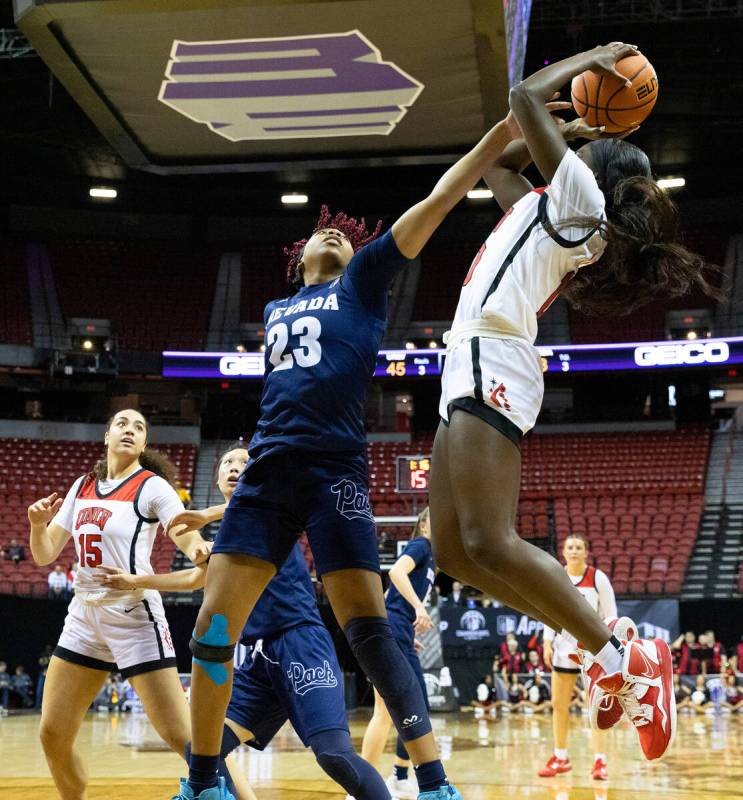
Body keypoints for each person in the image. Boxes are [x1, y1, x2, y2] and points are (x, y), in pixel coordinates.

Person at [171, 98, 544, 800]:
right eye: (323, 233)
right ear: (298, 258)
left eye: (343, 233)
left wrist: (497, 133)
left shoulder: (365, 283)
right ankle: (201, 782)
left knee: (370, 631)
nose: (334, 235)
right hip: (268, 469)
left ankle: (433, 782)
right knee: (211, 634)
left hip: (332, 470)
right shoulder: (277, 311)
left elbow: (438, 198)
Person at [427, 42, 706, 763]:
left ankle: (622, 653)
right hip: (465, 356)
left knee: (490, 539)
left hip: (495, 351)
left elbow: (523, 96)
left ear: (596, 169)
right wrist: (569, 128)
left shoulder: (582, 202)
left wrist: (594, 61)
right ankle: (603, 652)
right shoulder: (549, 203)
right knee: (455, 553)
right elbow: (496, 165)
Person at [98, 443, 389, 800]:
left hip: (298, 643)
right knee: (202, 751)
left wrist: (205, 514)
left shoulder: (275, 506)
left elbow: (254, 506)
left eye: (243, 462)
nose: (235, 466)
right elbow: (194, 579)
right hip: (256, 662)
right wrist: (135, 581)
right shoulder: (225, 537)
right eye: (227, 462)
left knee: (334, 757)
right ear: (216, 476)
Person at [27, 409, 224, 800]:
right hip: (84, 615)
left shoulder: (153, 488)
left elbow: (190, 545)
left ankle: (231, 791)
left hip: (134, 615)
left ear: (145, 443)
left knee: (185, 739)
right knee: (52, 733)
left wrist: (200, 549)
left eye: (139, 427)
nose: (130, 430)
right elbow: (46, 553)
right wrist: (36, 525)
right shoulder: (83, 486)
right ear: (106, 436)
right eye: (122, 424)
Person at [356, 507, 437, 800]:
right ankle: (360, 788)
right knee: (384, 712)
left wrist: (403, 631)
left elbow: (390, 594)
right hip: (392, 631)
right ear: (425, 523)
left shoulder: (432, 558)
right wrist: (418, 608)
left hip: (398, 632)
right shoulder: (421, 545)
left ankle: (401, 777)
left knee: (417, 707)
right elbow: (395, 572)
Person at [538, 534, 618, 780]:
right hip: (564, 649)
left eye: (578, 547)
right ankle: (560, 757)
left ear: (586, 552)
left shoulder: (598, 578)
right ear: (563, 552)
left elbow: (611, 615)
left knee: (596, 707)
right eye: (570, 547)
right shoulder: (556, 575)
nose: (573, 551)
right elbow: (548, 609)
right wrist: (547, 640)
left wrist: (607, 647)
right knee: (559, 705)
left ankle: (600, 762)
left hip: (593, 652)